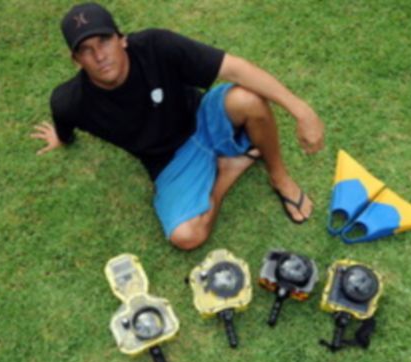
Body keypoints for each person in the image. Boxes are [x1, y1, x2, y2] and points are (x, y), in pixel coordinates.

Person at [31, 2, 325, 250]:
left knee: (248, 100)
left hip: (201, 118)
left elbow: (235, 68)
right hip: (168, 161)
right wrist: (60, 137)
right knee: (186, 237)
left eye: (105, 40)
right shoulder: (70, 102)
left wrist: (302, 111)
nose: (99, 55)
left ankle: (279, 177)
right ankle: (227, 171)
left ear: (122, 39)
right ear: (76, 60)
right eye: (86, 49)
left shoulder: (156, 46)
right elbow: (65, 125)